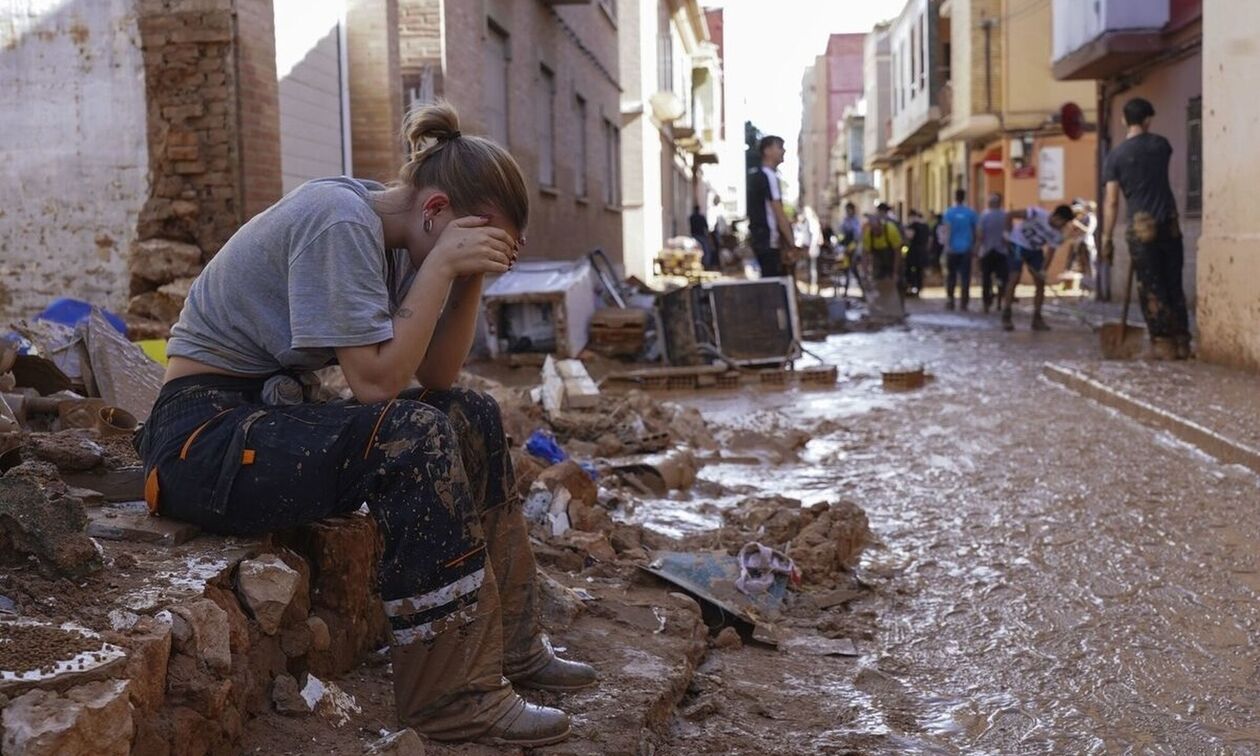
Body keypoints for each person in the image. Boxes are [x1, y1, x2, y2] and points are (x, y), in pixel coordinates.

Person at [135, 102, 594, 747]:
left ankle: (514, 648)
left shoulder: (404, 240)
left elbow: (436, 377)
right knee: (412, 435)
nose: (474, 252)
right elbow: (375, 386)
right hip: (199, 440)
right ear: (435, 211)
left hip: (268, 415)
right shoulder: (339, 222)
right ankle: (451, 697)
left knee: (470, 414)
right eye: (474, 237)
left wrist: (466, 281)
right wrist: (440, 266)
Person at [1101, 97, 1190, 359]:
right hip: (1170, 223)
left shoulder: (1115, 156)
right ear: (1148, 119)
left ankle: (1163, 344)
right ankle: (1183, 341)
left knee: (1151, 286)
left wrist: (1107, 238)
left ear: (1123, 120)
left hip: (1140, 227)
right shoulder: (1162, 145)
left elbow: (1112, 200)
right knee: (1173, 283)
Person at [1001, 203, 1076, 331]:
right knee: (1014, 278)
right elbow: (1010, 215)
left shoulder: (1057, 234)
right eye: (1062, 222)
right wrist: (1007, 234)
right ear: (1056, 216)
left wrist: (1043, 270)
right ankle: (1006, 314)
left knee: (1040, 283)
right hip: (1017, 245)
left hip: (1035, 251)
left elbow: (1050, 253)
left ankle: (1037, 318)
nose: (1062, 226)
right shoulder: (1036, 213)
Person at [746, 135, 798, 278]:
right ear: (767, 151)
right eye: (779, 147)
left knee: (769, 282)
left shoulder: (757, 175)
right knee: (775, 284)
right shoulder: (768, 176)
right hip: (768, 240)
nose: (783, 151)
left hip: (760, 238)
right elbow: (778, 211)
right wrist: (791, 242)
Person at [863, 202, 905, 321]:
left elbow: (897, 252)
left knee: (898, 283)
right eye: (874, 230)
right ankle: (881, 311)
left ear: (880, 226)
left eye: (877, 230)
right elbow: (865, 255)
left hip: (893, 257)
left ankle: (899, 311)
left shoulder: (890, 230)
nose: (876, 232)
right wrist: (865, 273)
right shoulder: (868, 234)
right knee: (878, 283)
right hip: (878, 260)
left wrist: (895, 272)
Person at [942, 189, 980, 310]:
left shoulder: (949, 213)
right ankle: (964, 302)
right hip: (966, 249)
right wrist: (975, 246)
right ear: (964, 197)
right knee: (965, 276)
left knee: (951, 276)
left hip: (952, 249)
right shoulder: (970, 213)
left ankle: (950, 300)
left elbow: (947, 231)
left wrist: (947, 247)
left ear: (955, 197)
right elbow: (976, 231)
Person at [977, 193, 1009, 313]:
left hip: (987, 251)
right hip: (1002, 252)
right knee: (1002, 278)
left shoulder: (984, 216)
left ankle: (986, 304)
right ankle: (1000, 302)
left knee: (986, 278)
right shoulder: (1005, 215)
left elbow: (980, 234)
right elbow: (1009, 232)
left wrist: (977, 249)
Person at [904, 210, 932, 296]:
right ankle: (919, 287)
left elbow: (909, 237)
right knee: (920, 271)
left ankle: (912, 286)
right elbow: (930, 239)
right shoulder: (925, 226)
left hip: (913, 251)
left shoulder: (912, 226)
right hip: (923, 251)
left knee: (911, 269)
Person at [839, 201, 864, 296]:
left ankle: (863, 291)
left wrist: (852, 248)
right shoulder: (845, 220)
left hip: (853, 249)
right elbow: (841, 233)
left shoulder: (856, 221)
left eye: (849, 210)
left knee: (854, 269)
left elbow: (857, 236)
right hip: (846, 248)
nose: (848, 212)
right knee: (846, 270)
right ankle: (845, 291)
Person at [690, 204, 715, 270]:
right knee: (706, 250)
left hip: (694, 235)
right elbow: (706, 227)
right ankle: (705, 264)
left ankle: (699, 264)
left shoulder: (691, 217)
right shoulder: (701, 217)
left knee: (696, 251)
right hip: (701, 236)